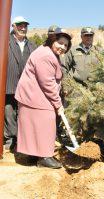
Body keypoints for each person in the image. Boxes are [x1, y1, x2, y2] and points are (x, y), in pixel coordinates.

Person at [15, 28, 72, 169]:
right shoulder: (45, 55)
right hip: (33, 95)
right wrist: (58, 104)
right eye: (60, 43)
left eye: (65, 45)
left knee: (34, 126)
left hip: (34, 95)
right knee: (46, 123)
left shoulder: (49, 52)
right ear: (53, 40)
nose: (62, 47)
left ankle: (31, 155)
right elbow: (47, 83)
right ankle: (44, 156)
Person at [4, 16, 36, 151]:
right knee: (9, 112)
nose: (23, 28)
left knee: (23, 113)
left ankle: (22, 140)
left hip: (26, 86)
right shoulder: (5, 42)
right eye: (19, 25)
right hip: (9, 84)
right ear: (13, 26)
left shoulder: (32, 45)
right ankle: (10, 139)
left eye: (25, 25)